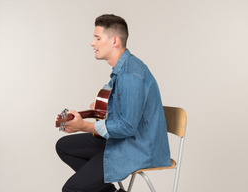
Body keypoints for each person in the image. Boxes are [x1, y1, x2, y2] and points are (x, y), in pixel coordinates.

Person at [56, 14, 171, 192]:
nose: (92, 43)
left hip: (138, 148)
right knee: (64, 147)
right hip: (124, 141)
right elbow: (114, 98)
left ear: (114, 40)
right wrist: (98, 108)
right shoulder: (122, 69)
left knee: (72, 189)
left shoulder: (130, 74)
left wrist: (84, 126)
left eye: (97, 38)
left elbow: (127, 126)